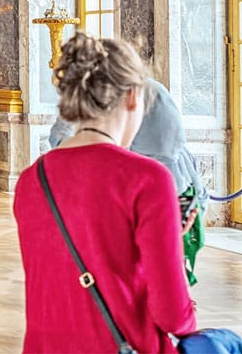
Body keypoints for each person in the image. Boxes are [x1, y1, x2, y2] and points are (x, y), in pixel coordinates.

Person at [14, 35, 196, 353]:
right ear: (132, 97)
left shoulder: (32, 179)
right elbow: (173, 317)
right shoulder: (147, 179)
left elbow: (72, 267)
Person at [49, 76, 208, 283]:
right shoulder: (93, 93)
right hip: (142, 183)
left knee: (159, 253)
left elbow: (167, 151)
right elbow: (59, 135)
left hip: (165, 182)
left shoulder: (149, 96)